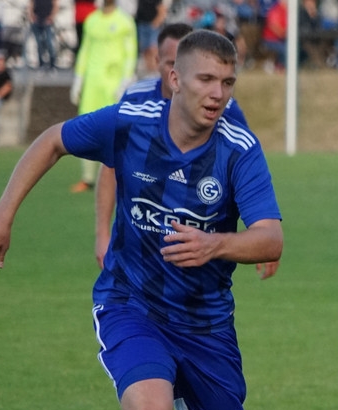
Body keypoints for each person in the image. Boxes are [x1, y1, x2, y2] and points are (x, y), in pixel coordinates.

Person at [0, 30, 283, 410]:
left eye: (227, 82)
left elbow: (272, 238)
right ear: (174, 79)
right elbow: (52, 140)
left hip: (206, 324)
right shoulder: (132, 120)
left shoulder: (239, 147)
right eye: (206, 79)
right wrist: (1, 216)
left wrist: (216, 244)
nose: (218, 93)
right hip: (130, 304)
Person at [93, 22, 273, 281]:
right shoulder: (135, 99)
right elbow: (111, 165)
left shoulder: (226, 110)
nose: (216, 92)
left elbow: (243, 169)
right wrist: (102, 233)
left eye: (223, 81)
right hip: (134, 264)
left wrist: (260, 236)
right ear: (164, 67)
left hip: (200, 275)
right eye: (170, 62)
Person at [69, 0, 137, 193]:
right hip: (92, 84)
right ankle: (88, 178)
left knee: (115, 130)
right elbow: (85, 51)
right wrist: (78, 79)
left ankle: (115, 175)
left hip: (113, 85)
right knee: (85, 126)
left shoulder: (125, 21)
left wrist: (125, 81)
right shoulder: (91, 20)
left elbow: (130, 53)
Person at [134, 0, 167, 74]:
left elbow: (162, 10)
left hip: (153, 26)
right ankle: (149, 70)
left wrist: (156, 23)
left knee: (153, 49)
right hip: (142, 24)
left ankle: (155, 70)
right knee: (145, 50)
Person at [29, 0, 59, 71]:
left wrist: (51, 17)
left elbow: (55, 5)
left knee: (49, 43)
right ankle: (41, 64)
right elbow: (31, 4)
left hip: (47, 21)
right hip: (37, 20)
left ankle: (52, 65)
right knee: (39, 44)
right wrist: (31, 16)